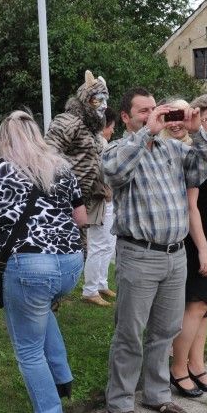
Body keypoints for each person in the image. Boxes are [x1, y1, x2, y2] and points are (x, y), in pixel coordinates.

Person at [102, 88, 207, 413]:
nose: (152, 115)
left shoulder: (174, 149)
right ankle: (120, 401)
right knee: (130, 332)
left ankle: (156, 394)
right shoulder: (118, 149)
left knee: (165, 331)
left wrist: (197, 130)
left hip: (174, 255)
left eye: (155, 109)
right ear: (125, 117)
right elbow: (112, 172)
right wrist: (146, 133)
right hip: (139, 254)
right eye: (143, 111)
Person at [0, 110, 86, 413]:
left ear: (1, 138)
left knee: (28, 351)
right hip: (70, 264)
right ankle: (61, 378)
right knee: (40, 310)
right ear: (37, 135)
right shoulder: (60, 166)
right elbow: (81, 217)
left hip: (30, 267)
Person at [170, 95, 207, 398]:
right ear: (197, 122)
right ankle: (178, 368)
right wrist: (203, 249)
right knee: (195, 305)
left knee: (205, 308)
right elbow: (191, 208)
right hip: (197, 242)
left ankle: (197, 365)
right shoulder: (195, 154)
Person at [45, 70, 110, 248]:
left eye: (106, 100)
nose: (104, 106)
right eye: (98, 100)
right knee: (63, 246)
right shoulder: (69, 122)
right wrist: (62, 190)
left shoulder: (92, 129)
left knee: (79, 247)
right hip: (62, 201)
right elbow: (47, 157)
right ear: (86, 99)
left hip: (82, 200)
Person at [81, 107, 118, 306]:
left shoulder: (101, 143)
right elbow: (95, 172)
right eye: (111, 127)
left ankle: (101, 283)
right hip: (99, 201)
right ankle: (90, 290)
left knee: (108, 244)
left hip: (107, 201)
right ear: (104, 126)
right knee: (98, 245)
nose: (112, 131)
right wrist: (104, 190)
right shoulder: (97, 143)